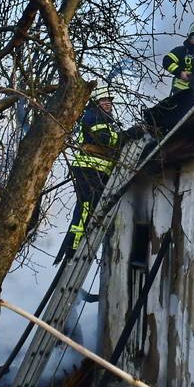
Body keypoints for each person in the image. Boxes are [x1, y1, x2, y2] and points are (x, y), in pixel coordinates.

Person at [58, 85, 127, 260]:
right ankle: (75, 245)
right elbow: (105, 139)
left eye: (109, 101)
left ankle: (77, 241)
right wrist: (127, 136)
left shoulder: (105, 120)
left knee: (90, 207)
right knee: (86, 207)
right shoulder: (93, 116)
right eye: (104, 100)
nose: (108, 104)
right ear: (96, 102)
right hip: (89, 169)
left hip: (97, 170)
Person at [144, 21, 194, 135]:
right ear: (189, 38)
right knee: (178, 116)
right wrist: (180, 73)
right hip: (181, 93)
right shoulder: (181, 51)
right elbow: (167, 61)